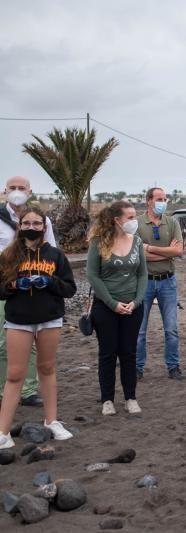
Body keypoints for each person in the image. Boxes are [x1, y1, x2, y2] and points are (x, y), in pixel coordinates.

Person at [0, 207, 76, 449]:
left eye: (36, 223)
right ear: (19, 226)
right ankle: (3, 432)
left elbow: (69, 288)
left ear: (45, 227)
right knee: (14, 375)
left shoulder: (55, 256)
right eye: (26, 223)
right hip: (18, 321)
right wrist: (13, 285)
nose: (31, 227)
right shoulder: (8, 256)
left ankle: (52, 421)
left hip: (49, 319)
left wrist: (50, 281)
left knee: (47, 368)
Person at [0, 176, 57, 409]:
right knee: (4, 341)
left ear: (30, 191)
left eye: (21, 188)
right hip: (5, 286)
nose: (16, 192)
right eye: (12, 188)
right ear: (4, 191)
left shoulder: (42, 221)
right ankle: (4, 388)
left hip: (35, 285)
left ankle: (28, 389)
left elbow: (52, 251)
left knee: (34, 338)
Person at [86, 201, 148, 416]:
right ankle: (107, 400)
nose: (134, 221)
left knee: (129, 352)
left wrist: (137, 301)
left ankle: (130, 397)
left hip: (133, 307)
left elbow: (142, 274)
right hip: (105, 308)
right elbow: (92, 275)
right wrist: (113, 304)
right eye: (130, 217)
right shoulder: (98, 242)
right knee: (108, 353)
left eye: (134, 216)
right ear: (117, 220)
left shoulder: (137, 242)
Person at [135, 187, 184, 381]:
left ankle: (173, 366)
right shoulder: (137, 223)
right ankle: (137, 367)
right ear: (148, 201)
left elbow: (179, 251)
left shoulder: (172, 222)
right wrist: (166, 251)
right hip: (143, 282)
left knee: (171, 329)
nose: (163, 201)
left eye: (165, 198)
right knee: (139, 330)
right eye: (159, 198)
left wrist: (149, 248)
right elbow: (136, 255)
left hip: (168, 282)